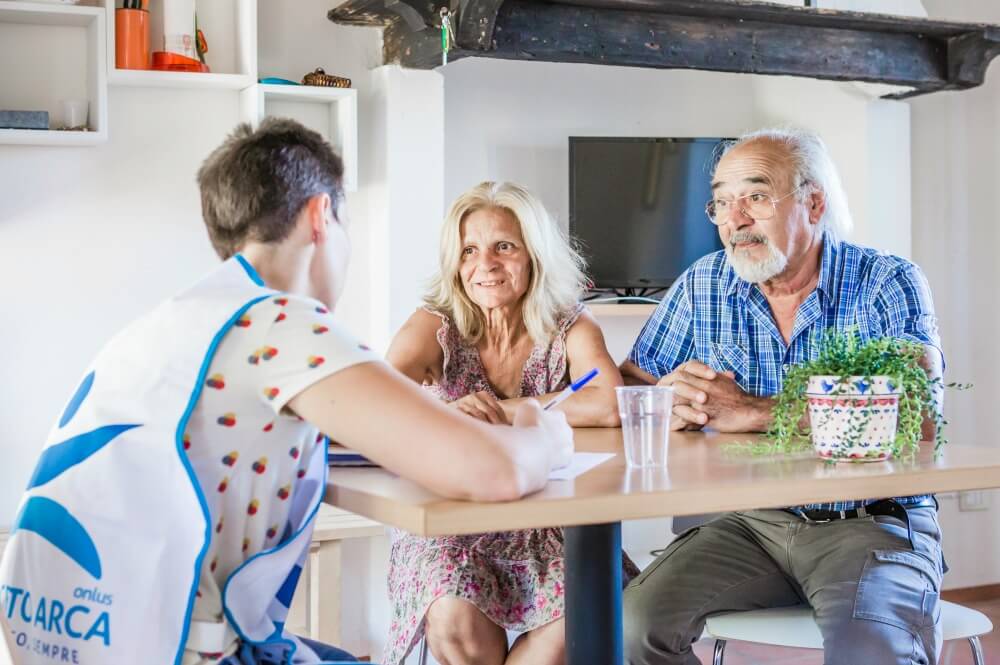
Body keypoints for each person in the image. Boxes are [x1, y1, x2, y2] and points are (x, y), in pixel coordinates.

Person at [0, 120, 573, 665]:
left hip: (65, 639)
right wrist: (543, 432)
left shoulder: (178, 321)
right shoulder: (281, 326)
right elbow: (495, 472)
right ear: (321, 216)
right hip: (172, 647)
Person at [620, 128, 945, 665]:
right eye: (722, 202)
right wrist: (666, 399)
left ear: (813, 203)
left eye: (755, 196)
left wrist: (750, 412)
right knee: (631, 624)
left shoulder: (886, 280)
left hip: (869, 523)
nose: (734, 218)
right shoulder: (703, 283)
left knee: (871, 654)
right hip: (747, 523)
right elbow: (633, 382)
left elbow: (916, 417)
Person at [383, 181, 631, 665]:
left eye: (504, 247)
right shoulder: (434, 324)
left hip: (549, 520)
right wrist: (444, 415)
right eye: (469, 250)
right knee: (455, 619)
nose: (485, 265)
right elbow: (381, 402)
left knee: (579, 618)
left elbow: (610, 402)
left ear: (533, 255)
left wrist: (510, 409)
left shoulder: (570, 323)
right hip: (453, 518)